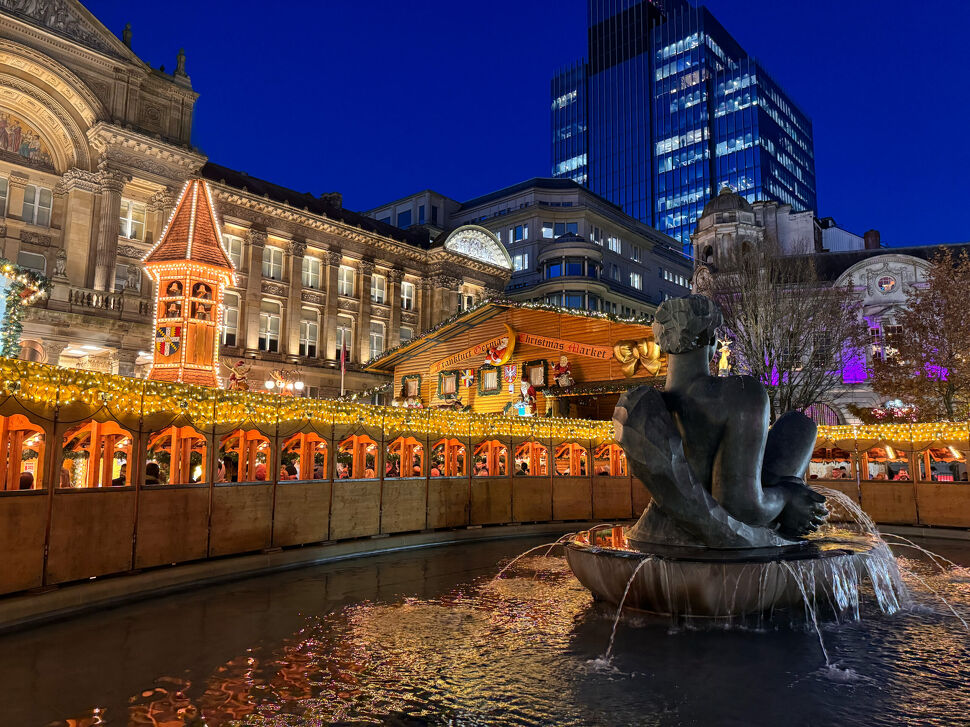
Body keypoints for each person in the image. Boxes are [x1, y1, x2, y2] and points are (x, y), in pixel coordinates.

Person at [620, 294, 826, 539]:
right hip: (747, 522)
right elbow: (744, 507)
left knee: (798, 426)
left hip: (661, 533)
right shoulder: (741, 393)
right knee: (799, 426)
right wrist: (788, 496)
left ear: (662, 344)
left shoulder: (646, 405)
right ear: (712, 340)